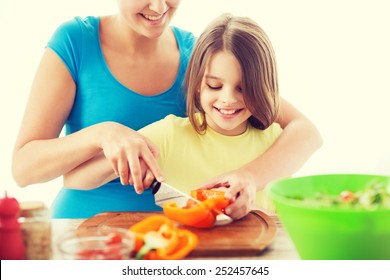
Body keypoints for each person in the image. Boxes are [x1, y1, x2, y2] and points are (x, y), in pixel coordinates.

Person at [12, 0, 322, 219]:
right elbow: (24, 169)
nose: (159, 8)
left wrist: (250, 177)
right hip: (82, 229)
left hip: (171, 238)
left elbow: (304, 131)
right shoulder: (75, 41)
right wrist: (103, 134)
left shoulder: (201, 57)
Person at [64, 13, 284, 219]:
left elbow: (281, 222)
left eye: (243, 88)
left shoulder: (276, 141)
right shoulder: (169, 134)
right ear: (197, 84)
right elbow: (75, 179)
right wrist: (125, 161)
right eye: (214, 85)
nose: (227, 99)